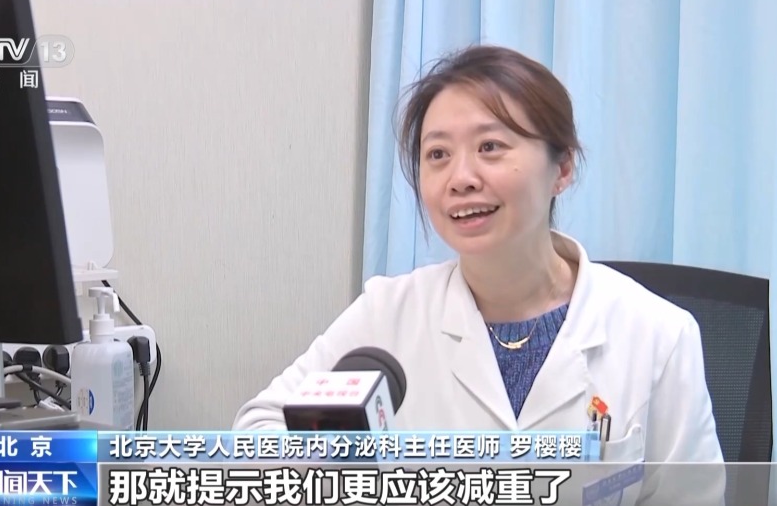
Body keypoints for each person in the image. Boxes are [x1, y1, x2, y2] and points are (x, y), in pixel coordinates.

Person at [234, 45, 725, 504]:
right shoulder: (387, 314)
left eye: (490, 147)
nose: (461, 178)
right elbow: (256, 431)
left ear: (562, 169)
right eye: (437, 155)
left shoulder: (658, 334)